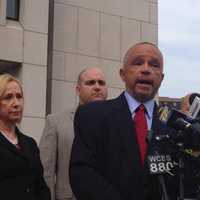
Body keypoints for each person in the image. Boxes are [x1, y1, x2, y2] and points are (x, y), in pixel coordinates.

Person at [69, 42, 178, 200]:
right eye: (138, 62)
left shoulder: (173, 127)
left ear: (161, 78)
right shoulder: (92, 116)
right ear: (123, 74)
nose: (146, 69)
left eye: (154, 65)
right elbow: (82, 174)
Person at [39, 67, 108, 200]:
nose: (97, 87)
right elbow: (46, 173)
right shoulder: (55, 122)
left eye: (101, 83)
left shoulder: (117, 122)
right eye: (91, 83)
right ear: (78, 90)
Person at [0, 73, 51, 200]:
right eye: (8, 97)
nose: (16, 103)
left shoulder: (30, 144)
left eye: (19, 96)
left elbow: (41, 186)